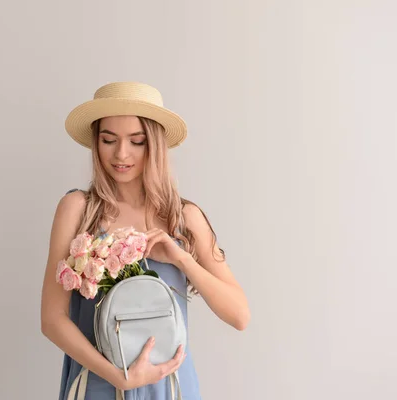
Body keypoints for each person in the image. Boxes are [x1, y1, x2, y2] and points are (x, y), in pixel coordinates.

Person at [40, 81, 250, 399]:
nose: (121, 154)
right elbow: (52, 319)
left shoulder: (185, 218)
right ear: (96, 143)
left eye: (136, 141)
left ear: (154, 145)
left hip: (169, 386)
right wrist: (118, 377)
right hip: (100, 384)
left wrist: (181, 258)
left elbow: (239, 315)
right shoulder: (78, 210)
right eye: (108, 140)